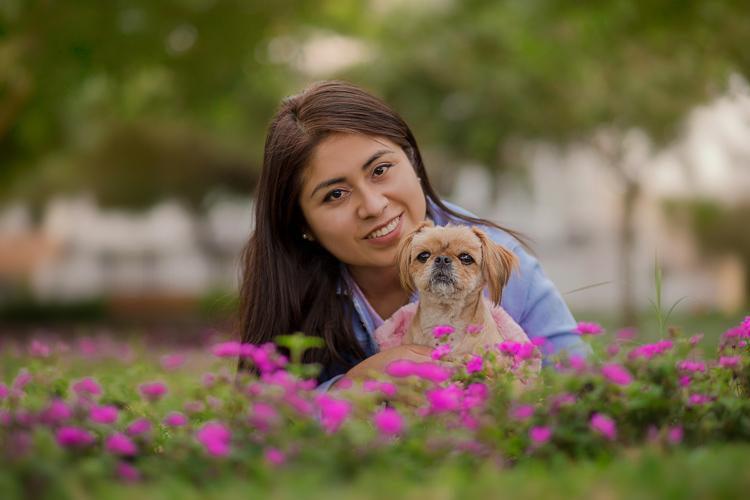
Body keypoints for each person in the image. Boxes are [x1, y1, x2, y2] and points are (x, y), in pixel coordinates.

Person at [238, 80, 591, 390]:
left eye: (380, 169)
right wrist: (350, 388)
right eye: (335, 194)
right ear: (303, 224)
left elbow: (581, 387)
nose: (373, 206)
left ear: (413, 162)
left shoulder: (496, 258)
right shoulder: (289, 284)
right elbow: (261, 420)